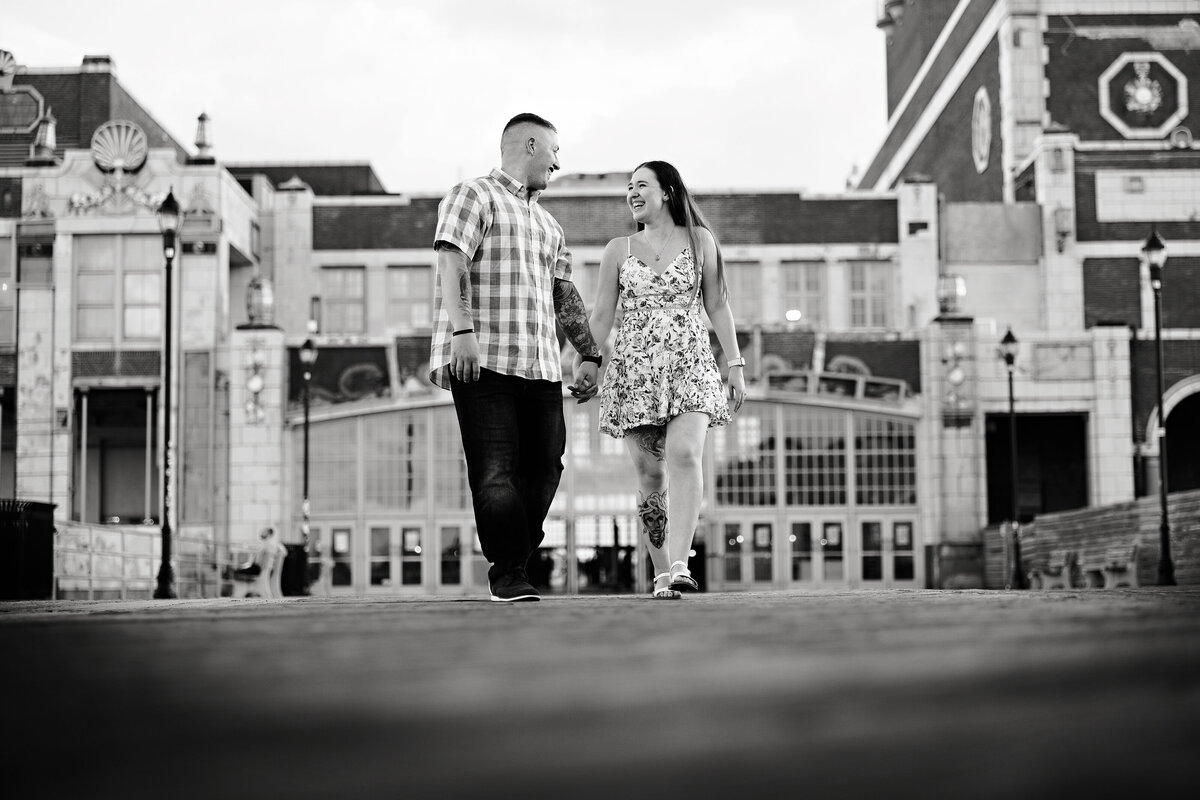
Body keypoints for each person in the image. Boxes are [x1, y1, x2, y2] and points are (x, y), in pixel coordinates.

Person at [430, 113, 601, 602]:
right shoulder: (473, 195)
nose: (558, 162)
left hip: (541, 365)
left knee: (547, 467)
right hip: (482, 360)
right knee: (495, 470)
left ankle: (515, 554)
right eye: (554, 151)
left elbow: (563, 293)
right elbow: (452, 260)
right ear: (530, 144)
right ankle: (507, 571)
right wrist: (463, 330)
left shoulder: (549, 224)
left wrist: (588, 352)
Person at [584, 160, 746, 599]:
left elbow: (718, 305)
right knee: (650, 475)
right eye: (628, 188)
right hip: (634, 370)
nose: (632, 194)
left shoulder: (700, 241)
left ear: (668, 192)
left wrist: (734, 364)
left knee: (685, 452)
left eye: (641, 185)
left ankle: (679, 565)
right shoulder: (618, 249)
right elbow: (600, 317)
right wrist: (587, 362)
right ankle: (660, 576)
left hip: (689, 362)